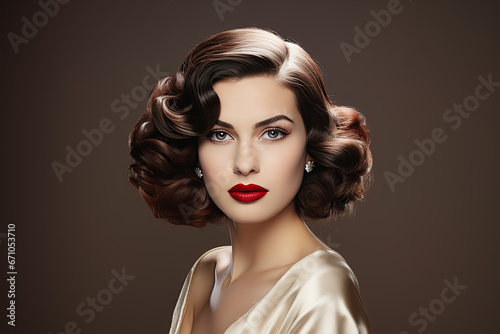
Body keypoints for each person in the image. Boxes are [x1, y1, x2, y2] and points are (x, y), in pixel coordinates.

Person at [128, 27, 373, 334]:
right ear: (194, 151)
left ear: (310, 148)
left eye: (273, 133)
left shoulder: (321, 292)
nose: (244, 164)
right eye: (220, 135)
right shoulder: (207, 272)